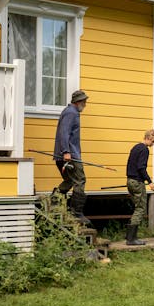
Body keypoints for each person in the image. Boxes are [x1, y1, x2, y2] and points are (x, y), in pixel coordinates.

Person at [52, 89, 90, 225]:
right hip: (70, 155)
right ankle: (76, 213)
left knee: (69, 180)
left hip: (68, 154)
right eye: (84, 101)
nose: (85, 104)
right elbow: (64, 133)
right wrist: (66, 152)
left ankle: (54, 202)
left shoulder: (71, 112)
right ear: (78, 101)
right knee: (80, 180)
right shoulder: (71, 113)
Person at [125, 129, 154, 245]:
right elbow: (141, 168)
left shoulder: (135, 147)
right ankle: (131, 239)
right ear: (150, 138)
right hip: (137, 182)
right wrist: (150, 182)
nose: (153, 144)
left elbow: (131, 165)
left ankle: (129, 237)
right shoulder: (144, 149)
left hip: (130, 180)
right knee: (140, 209)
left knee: (137, 208)